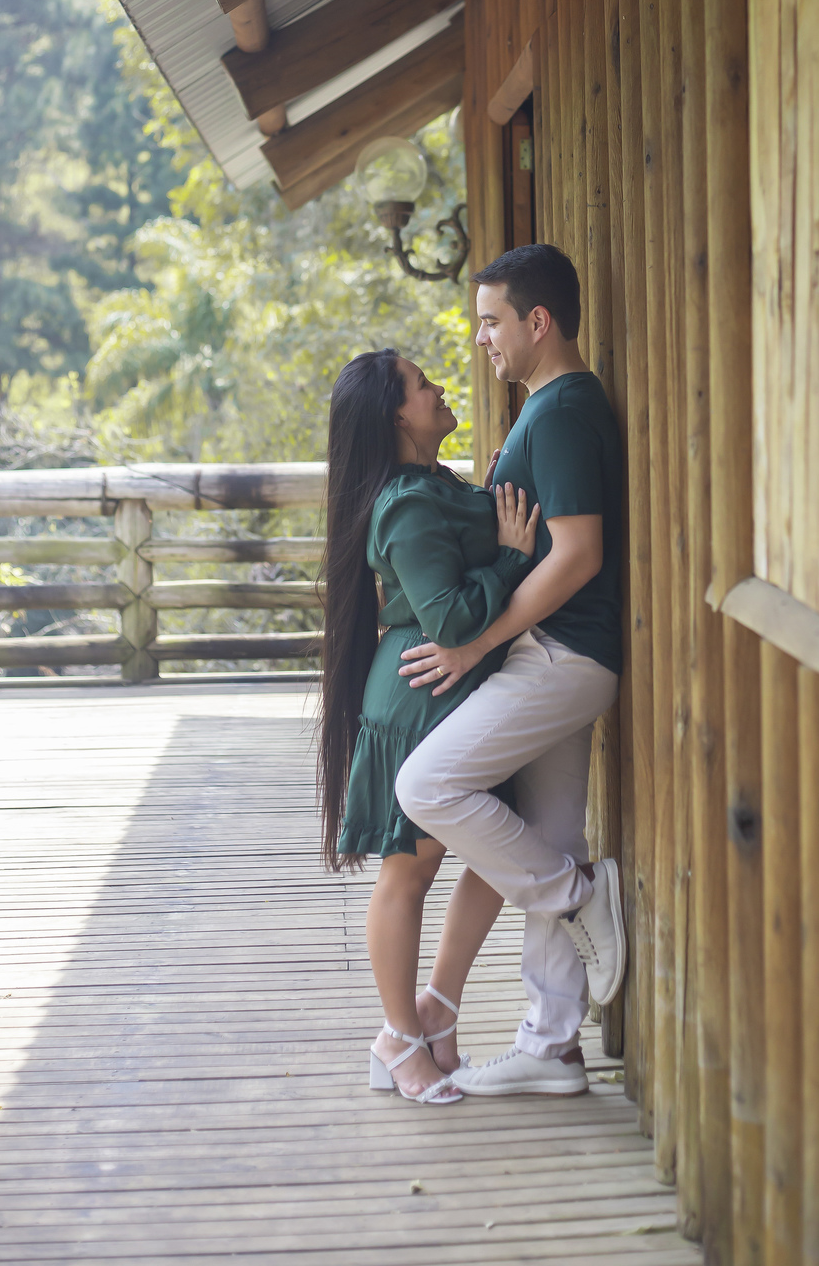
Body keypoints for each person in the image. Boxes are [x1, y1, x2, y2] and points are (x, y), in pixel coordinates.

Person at [395, 243, 626, 1097]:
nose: (481, 338)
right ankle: (552, 1043)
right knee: (552, 832)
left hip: (563, 654)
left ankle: (578, 897)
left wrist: (473, 644)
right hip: (559, 651)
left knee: (427, 785)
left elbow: (577, 554)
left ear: (538, 320)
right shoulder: (549, 408)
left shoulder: (561, 410)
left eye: (492, 322)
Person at [317, 348, 540, 1105]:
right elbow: (446, 618)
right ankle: (398, 1038)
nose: (439, 385)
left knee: (500, 845)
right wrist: (510, 560)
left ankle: (436, 1010)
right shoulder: (406, 504)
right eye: (422, 384)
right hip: (421, 702)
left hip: (461, 696)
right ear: (396, 415)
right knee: (408, 873)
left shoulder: (433, 483)